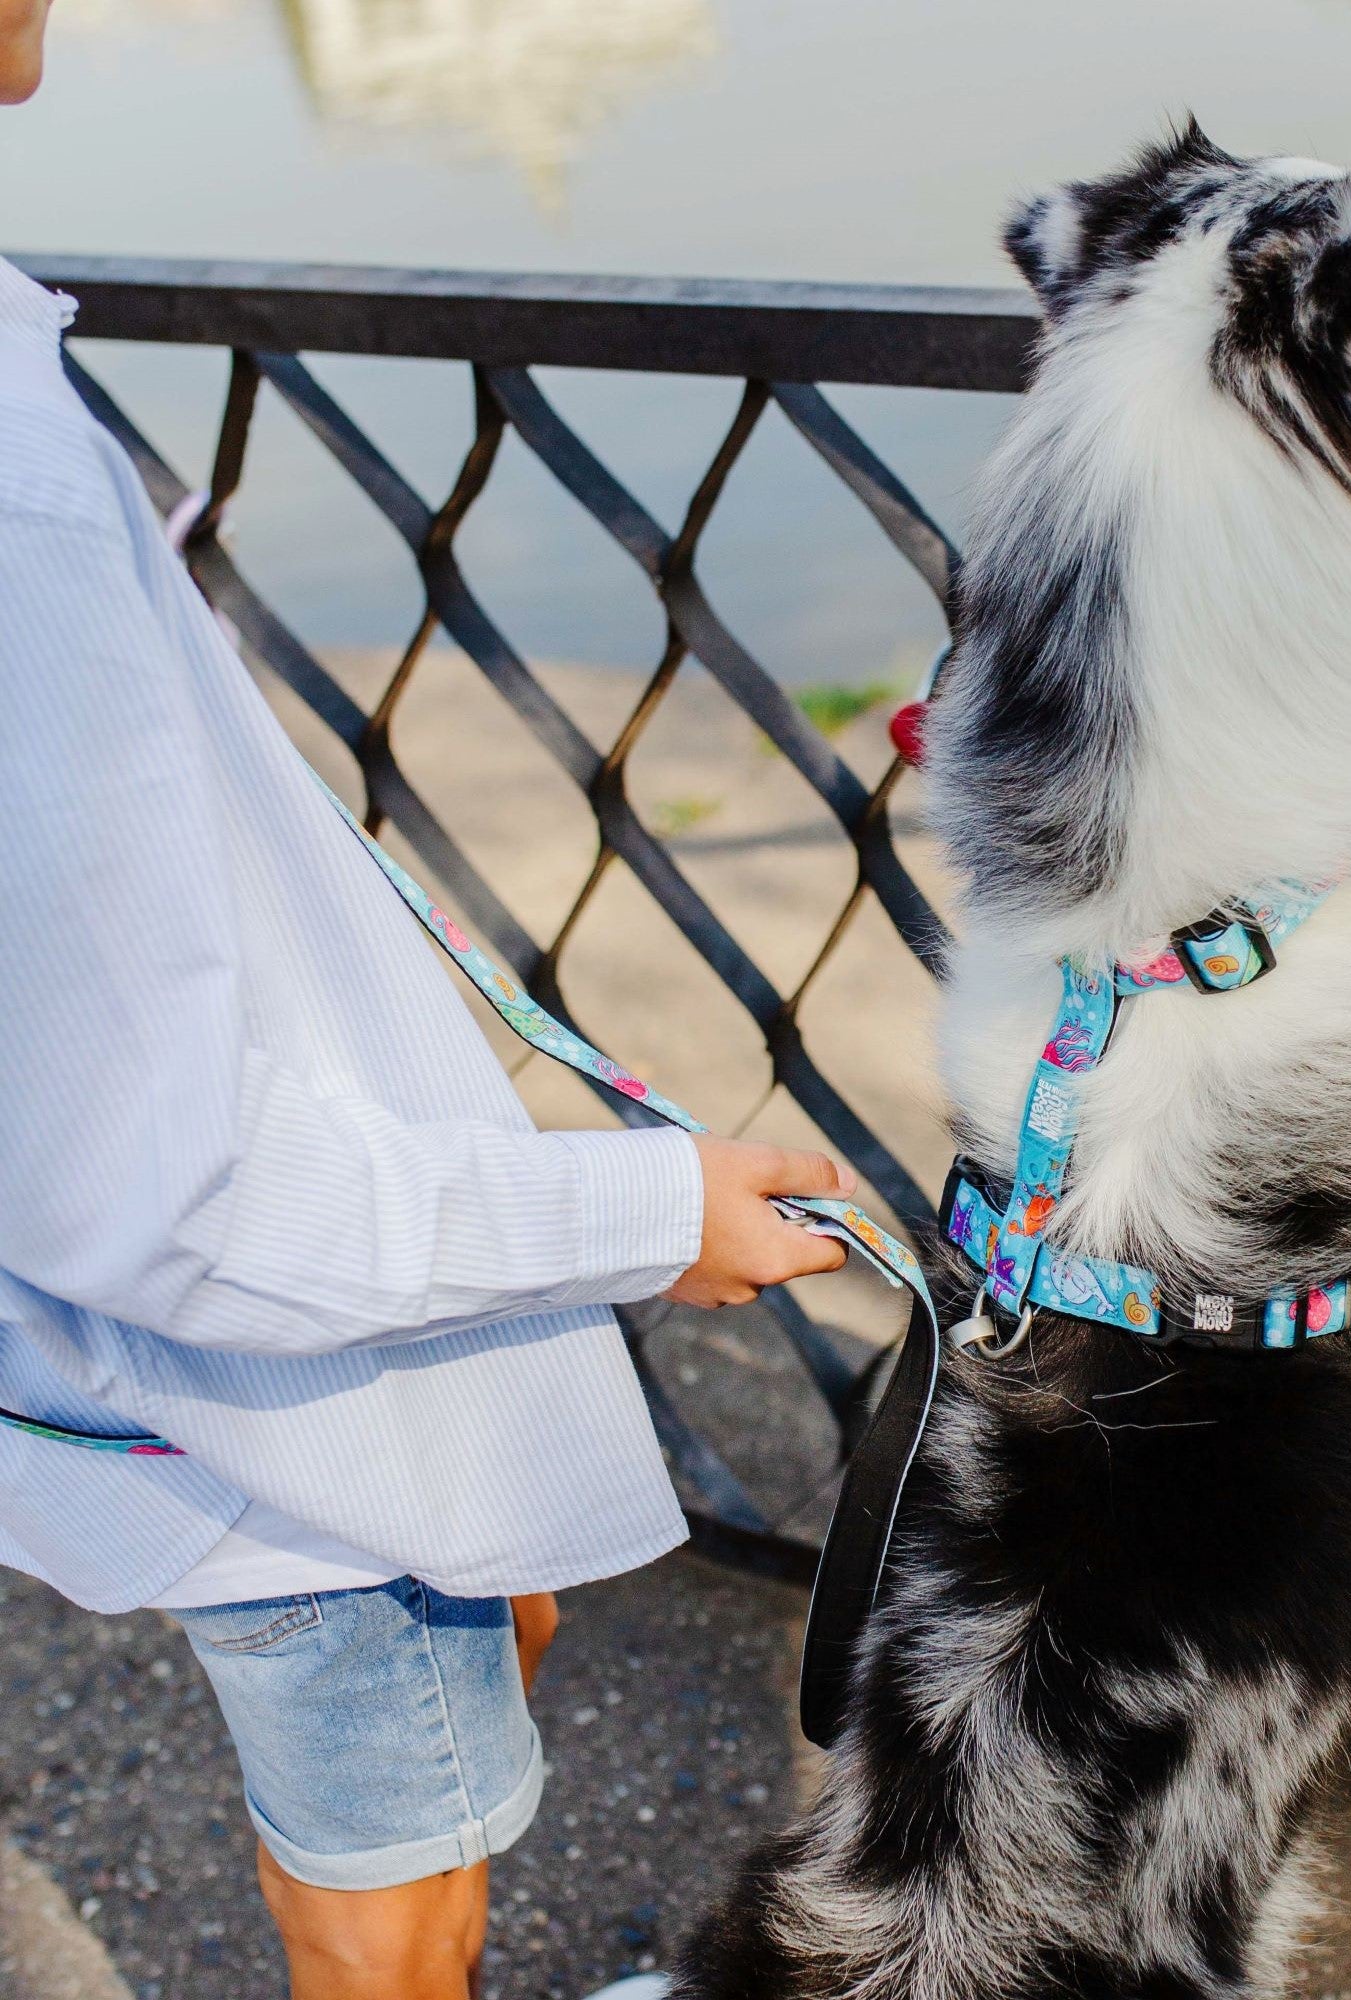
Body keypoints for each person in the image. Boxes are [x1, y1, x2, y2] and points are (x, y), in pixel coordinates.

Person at [0, 6, 845, 1995]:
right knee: (395, 1893)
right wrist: (645, 1212)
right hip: (285, 1416)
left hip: (180, 1361)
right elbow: (176, 1193)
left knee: (484, 1648)